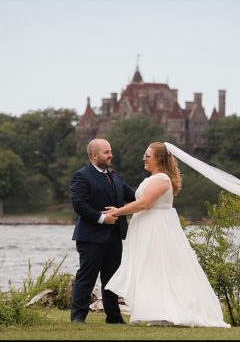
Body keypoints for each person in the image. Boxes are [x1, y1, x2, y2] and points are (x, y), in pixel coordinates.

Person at [103, 142, 231, 328]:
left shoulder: (161, 179)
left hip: (158, 229)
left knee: (163, 268)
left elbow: (144, 204)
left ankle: (172, 311)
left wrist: (117, 211)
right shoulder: (154, 178)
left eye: (148, 155)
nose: (144, 158)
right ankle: (158, 312)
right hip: (149, 227)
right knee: (153, 270)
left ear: (159, 159)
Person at [69, 138, 136, 324]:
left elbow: (132, 196)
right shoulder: (81, 176)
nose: (111, 155)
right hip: (91, 237)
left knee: (113, 279)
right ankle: (78, 317)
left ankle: (114, 317)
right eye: (106, 152)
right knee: (86, 277)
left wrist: (154, 189)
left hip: (115, 236)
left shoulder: (115, 175)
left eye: (110, 151)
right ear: (93, 155)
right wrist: (102, 218)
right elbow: (79, 204)